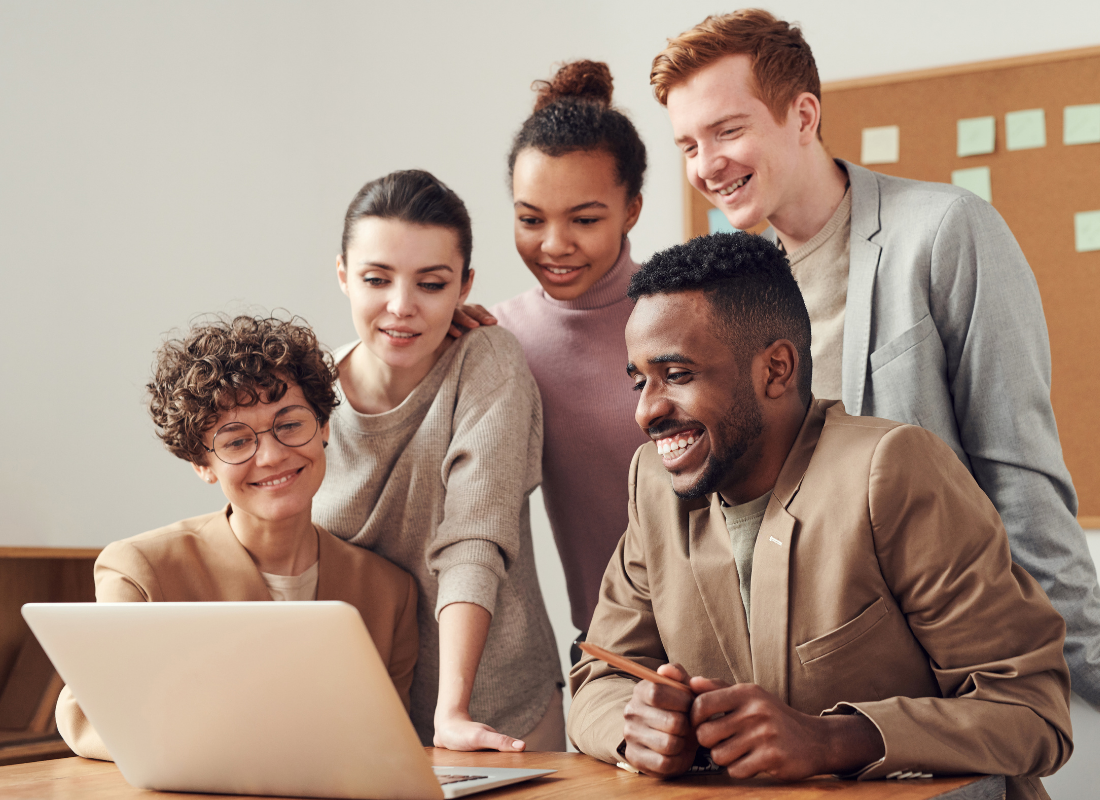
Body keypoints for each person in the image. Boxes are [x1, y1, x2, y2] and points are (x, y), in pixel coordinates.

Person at [650, 8, 1100, 706]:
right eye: (687, 145)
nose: (706, 166)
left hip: (949, 688)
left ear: (803, 116)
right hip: (797, 699)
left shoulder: (944, 232)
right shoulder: (737, 299)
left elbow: (1022, 482)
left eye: (727, 130)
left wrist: (1084, 669)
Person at [568, 233, 1073, 800]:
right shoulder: (654, 487)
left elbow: (1033, 714)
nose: (646, 411)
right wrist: (637, 730)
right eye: (639, 380)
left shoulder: (891, 471)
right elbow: (600, 678)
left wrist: (831, 740)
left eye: (677, 376)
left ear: (777, 369)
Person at [55, 315, 419, 761]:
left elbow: (388, 746)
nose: (271, 455)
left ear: (324, 428)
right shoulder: (141, 572)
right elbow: (90, 718)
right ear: (202, 464)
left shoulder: (388, 592)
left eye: (290, 424)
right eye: (235, 441)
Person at [311, 170, 563, 752]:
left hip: (493, 713)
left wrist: (452, 713)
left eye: (430, 284)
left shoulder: (487, 362)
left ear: (464, 287)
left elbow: (473, 537)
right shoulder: (308, 393)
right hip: (358, 719)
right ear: (345, 275)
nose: (401, 307)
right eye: (377, 279)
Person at [453, 61, 650, 649]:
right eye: (530, 219)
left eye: (585, 220)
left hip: (737, 632)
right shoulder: (497, 336)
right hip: (608, 646)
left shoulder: (685, 313)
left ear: (632, 210)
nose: (554, 245)